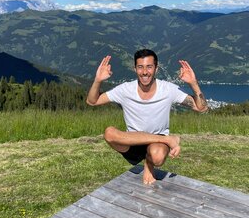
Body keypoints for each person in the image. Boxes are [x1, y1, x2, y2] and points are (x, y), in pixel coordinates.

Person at [86, 49, 208, 184]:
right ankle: (168, 140)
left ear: (156, 69)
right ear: (135, 69)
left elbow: (201, 108)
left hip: (158, 142)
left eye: (149, 67)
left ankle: (149, 163)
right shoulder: (125, 89)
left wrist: (193, 83)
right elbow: (92, 101)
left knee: (157, 157)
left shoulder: (168, 89)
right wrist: (98, 80)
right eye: (140, 67)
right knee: (109, 133)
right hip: (133, 141)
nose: (145, 72)